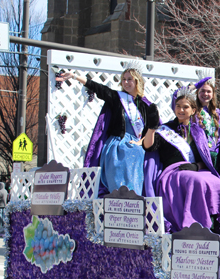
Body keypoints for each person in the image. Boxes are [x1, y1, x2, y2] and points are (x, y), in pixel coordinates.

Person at [56, 61, 160, 195]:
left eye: (130, 79)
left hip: (136, 147)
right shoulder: (117, 98)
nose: (126, 82)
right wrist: (75, 76)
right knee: (117, 183)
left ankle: (134, 207)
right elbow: (97, 87)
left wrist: (139, 143)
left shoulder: (146, 106)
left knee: (135, 173)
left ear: (138, 81)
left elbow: (148, 133)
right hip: (117, 147)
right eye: (123, 79)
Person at [143, 87, 220, 233]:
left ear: (193, 110)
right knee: (197, 181)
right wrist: (151, 128)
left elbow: (205, 158)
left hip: (195, 169)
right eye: (178, 106)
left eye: (185, 107)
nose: (181, 110)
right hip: (173, 172)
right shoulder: (165, 129)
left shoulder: (198, 131)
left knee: (216, 181)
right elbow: (149, 146)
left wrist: (196, 166)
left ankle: (219, 223)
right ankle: (195, 225)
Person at [194, 75, 220, 155]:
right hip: (199, 153)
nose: (205, 94)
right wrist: (193, 87)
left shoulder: (219, 115)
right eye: (202, 91)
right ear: (197, 92)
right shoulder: (192, 112)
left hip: (215, 153)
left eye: (208, 91)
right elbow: (177, 98)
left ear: (213, 94)